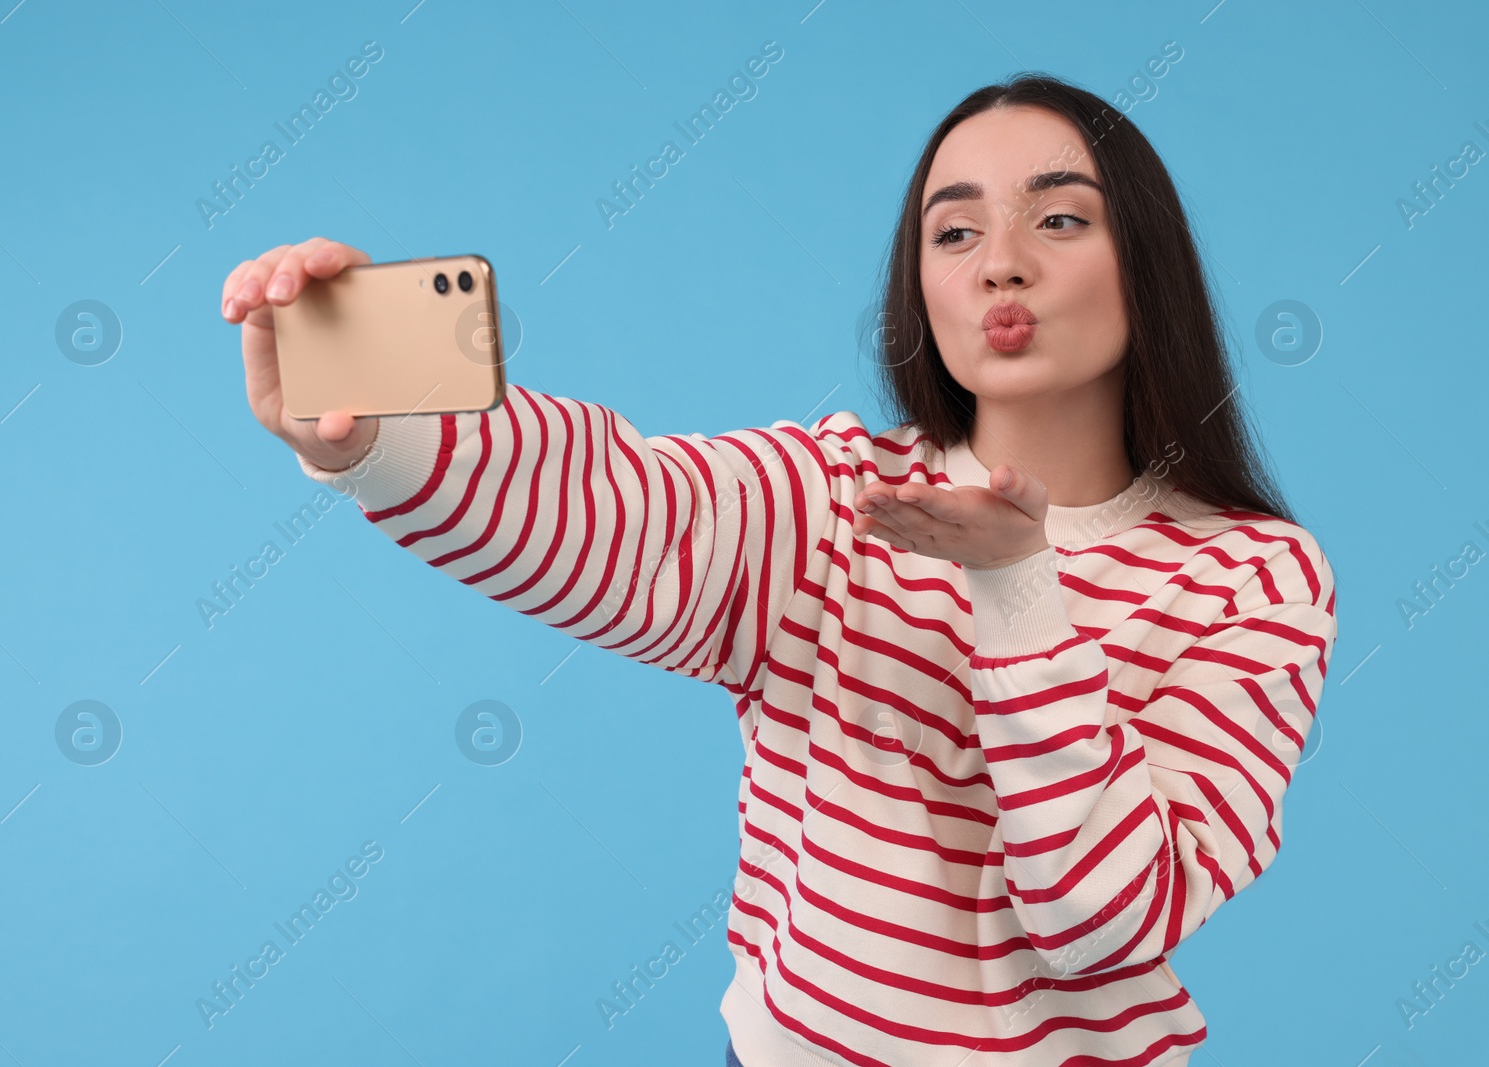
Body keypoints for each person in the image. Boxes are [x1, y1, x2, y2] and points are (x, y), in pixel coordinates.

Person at [219, 73, 1337, 1067]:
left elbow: (1103, 921)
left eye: (1058, 217)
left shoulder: (1253, 580)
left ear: (1147, 261)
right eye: (952, 235)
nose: (1002, 261)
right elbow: (619, 512)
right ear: (921, 288)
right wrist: (376, 436)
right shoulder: (834, 497)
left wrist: (1019, 589)